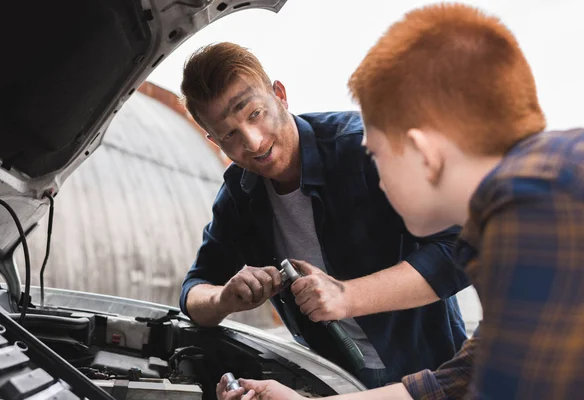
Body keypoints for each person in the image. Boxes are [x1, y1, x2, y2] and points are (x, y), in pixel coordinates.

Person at [217, 2, 584, 399]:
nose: (377, 177)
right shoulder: (522, 210)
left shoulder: (543, 207)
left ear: (422, 153)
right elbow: (450, 383)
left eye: (374, 154)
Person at [178, 41, 470, 388]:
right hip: (334, 379)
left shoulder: (367, 148)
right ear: (214, 141)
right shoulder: (238, 199)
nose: (254, 142)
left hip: (430, 371)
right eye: (230, 134)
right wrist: (223, 297)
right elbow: (193, 292)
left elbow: (462, 248)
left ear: (280, 96)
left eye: (254, 113)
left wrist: (347, 296)